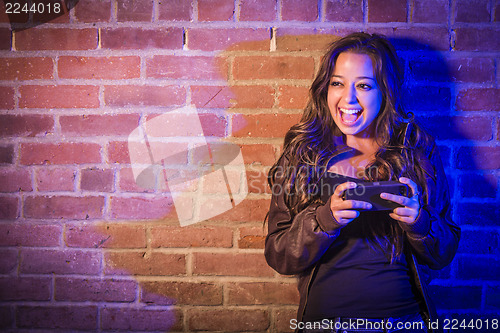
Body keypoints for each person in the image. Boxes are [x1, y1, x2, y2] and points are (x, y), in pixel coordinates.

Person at [264, 33, 460, 333]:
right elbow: (279, 255)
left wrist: (418, 222)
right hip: (324, 324)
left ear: (385, 91)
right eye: (337, 83)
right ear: (325, 88)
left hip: (403, 323)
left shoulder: (416, 150)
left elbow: (443, 253)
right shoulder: (303, 154)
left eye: (364, 86)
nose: (348, 99)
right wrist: (324, 220)